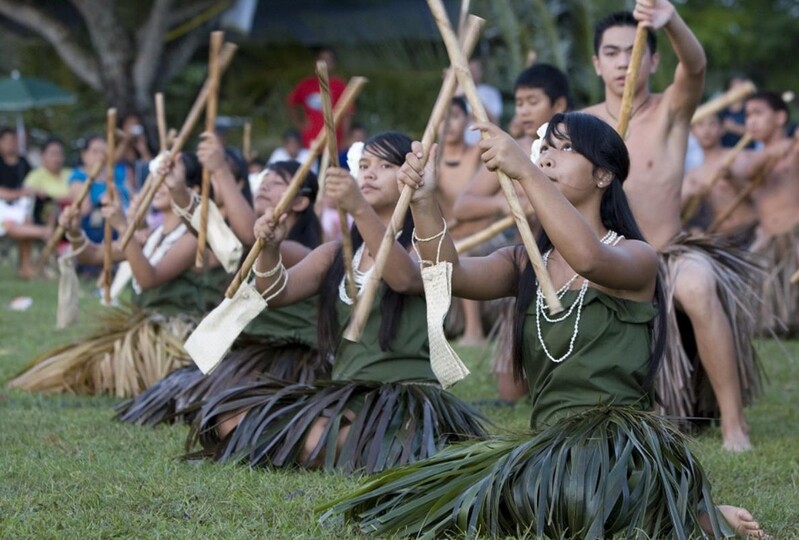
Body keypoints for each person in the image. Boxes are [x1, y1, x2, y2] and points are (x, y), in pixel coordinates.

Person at [320, 112, 764, 539]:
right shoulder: (524, 262)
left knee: (565, 503)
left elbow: (589, 259)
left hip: (616, 448)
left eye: (564, 148)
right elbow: (445, 275)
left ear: (603, 175)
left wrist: (527, 173)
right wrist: (424, 202)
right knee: (445, 499)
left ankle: (686, 514)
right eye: (544, 149)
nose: (547, 157)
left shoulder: (637, 256)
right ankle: (661, 511)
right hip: (548, 446)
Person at [186, 132, 487, 473]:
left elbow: (403, 279)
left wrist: (358, 208)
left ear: (408, 175)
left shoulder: (424, 247)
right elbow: (276, 293)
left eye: (385, 166)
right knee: (229, 417)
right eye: (364, 165)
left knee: (316, 439)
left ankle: (352, 445)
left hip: (400, 397)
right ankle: (335, 445)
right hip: (346, 393)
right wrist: (270, 249)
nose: (370, 173)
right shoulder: (338, 253)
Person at [582, 1, 761, 451]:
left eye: (634, 52)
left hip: (669, 252)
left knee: (697, 286)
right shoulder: (581, 126)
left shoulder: (671, 111)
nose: (624, 62)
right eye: (612, 53)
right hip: (608, 257)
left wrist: (671, 21)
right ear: (597, 63)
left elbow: (695, 67)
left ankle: (734, 424)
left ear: (654, 61)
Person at [117, 160, 328, 426]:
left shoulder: (300, 252)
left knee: (223, 407)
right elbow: (213, 236)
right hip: (249, 351)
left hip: (288, 358)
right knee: (175, 394)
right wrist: (178, 189)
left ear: (300, 202)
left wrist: (220, 169)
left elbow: (247, 239)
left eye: (277, 183)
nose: (264, 186)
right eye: (264, 179)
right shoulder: (251, 243)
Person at [8, 152, 225, 397]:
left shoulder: (193, 240)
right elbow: (94, 256)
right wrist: (75, 231)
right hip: (142, 332)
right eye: (158, 178)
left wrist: (123, 226)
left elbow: (148, 279)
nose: (158, 185)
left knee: (92, 371)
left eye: (168, 178)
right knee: (75, 365)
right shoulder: (151, 235)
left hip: (171, 339)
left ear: (193, 189)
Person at [453, 63, 572, 401]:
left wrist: (542, 197)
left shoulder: (576, 147)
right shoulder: (511, 148)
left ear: (558, 104)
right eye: (519, 103)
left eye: (533, 101)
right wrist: (504, 204)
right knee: (510, 394)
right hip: (527, 261)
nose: (523, 111)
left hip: (572, 259)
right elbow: (463, 205)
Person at [738, 91, 799, 335]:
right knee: (766, 318)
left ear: (780, 117)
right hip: (767, 240)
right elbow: (748, 172)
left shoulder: (795, 150)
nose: (751, 121)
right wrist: (773, 152)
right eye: (747, 115)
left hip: (795, 234)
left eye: (758, 113)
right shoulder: (748, 157)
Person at [436, 96, 488, 345]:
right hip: (446, 238)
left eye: (455, 116)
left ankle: (474, 331)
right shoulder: (431, 160)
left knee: (464, 255)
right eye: (443, 118)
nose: (449, 124)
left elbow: (492, 128)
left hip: (483, 236)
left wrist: (467, 92)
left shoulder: (478, 153)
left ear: (467, 120)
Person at [681, 113, 758, 245]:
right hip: (723, 239)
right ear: (692, 131)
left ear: (722, 129)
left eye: (712, 124)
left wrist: (733, 178)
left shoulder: (738, 157)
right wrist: (691, 194)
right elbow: (680, 214)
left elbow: (759, 194)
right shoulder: (693, 175)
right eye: (700, 125)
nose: (706, 130)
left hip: (750, 230)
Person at [68, 135, 131, 244]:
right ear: (84, 155)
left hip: (127, 220)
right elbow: (84, 210)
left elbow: (131, 194)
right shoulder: (78, 178)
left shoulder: (117, 172)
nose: (100, 156)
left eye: (103, 152)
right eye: (95, 152)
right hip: (99, 229)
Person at [287, 46, 351, 149]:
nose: (325, 63)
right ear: (315, 62)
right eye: (322, 60)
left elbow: (347, 113)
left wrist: (345, 137)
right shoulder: (306, 84)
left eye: (329, 60)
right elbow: (292, 103)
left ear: (334, 63)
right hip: (310, 141)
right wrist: (300, 123)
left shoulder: (339, 85)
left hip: (333, 141)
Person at [0, 126, 40, 277]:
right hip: (3, 209)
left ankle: (26, 267)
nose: (12, 144)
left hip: (21, 208)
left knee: (26, 220)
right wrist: (17, 193)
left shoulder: (24, 163)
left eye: (14, 140)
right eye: (8, 140)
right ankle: (44, 232)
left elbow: (33, 184)